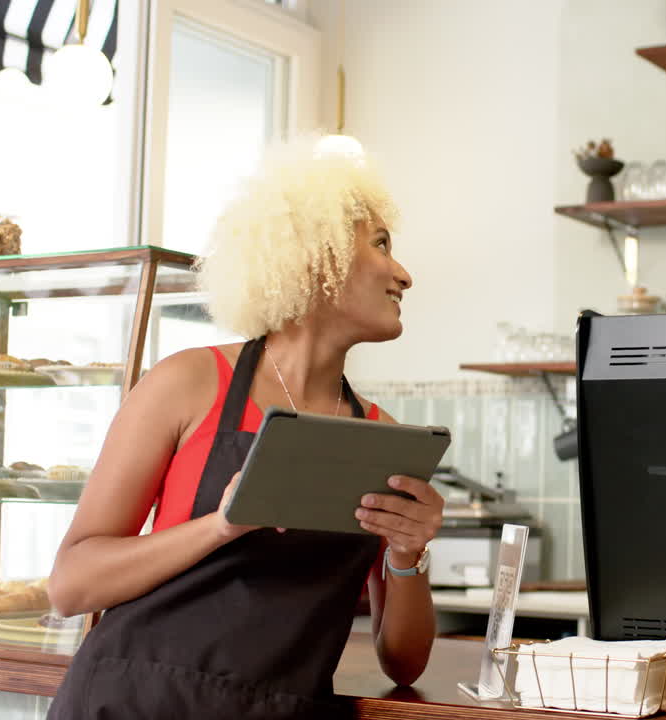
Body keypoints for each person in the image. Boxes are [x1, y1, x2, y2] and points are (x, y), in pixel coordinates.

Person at [46, 134, 441, 719]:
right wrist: (221, 526)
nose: (404, 274)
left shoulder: (380, 435)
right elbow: (72, 585)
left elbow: (403, 662)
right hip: (133, 703)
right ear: (318, 256)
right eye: (382, 245)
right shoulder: (188, 382)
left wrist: (410, 553)